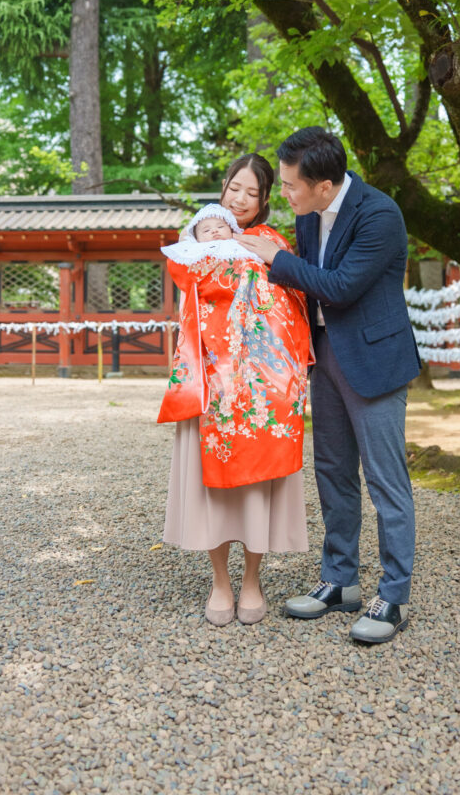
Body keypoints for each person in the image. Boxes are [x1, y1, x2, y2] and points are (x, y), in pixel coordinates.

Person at [239, 127, 421, 644]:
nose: (286, 194)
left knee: (386, 482)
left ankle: (394, 595)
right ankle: (340, 582)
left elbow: (339, 287)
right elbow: (306, 286)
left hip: (376, 361)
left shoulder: (379, 214)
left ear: (324, 186)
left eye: (292, 186)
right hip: (326, 358)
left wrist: (276, 261)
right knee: (333, 472)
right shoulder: (306, 212)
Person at [159, 155, 311, 627]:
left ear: (265, 199)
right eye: (233, 188)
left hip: (262, 389)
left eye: (251, 193)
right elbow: (191, 288)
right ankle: (219, 582)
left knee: (256, 491)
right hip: (212, 382)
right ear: (222, 189)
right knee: (214, 492)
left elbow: (290, 302)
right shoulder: (198, 240)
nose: (240, 200)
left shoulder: (270, 243)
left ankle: (252, 580)